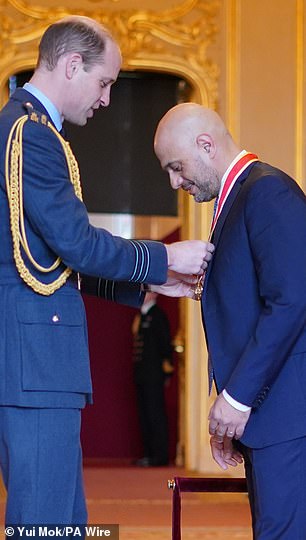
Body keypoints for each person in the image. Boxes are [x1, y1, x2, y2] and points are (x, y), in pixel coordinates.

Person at [0, 20, 215, 528]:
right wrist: (165, 258)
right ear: (73, 66)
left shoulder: (28, 129)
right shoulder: (30, 135)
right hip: (36, 361)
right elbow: (76, 243)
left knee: (61, 520)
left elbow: (50, 257)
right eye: (105, 82)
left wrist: (146, 280)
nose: (107, 99)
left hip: (35, 361)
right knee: (44, 524)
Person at [154, 102, 306, 539]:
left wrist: (237, 399)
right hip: (272, 417)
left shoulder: (267, 192)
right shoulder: (242, 195)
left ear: (206, 145)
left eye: (177, 167)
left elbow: (293, 300)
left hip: (286, 417)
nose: (174, 181)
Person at [132, 291, 174, 467]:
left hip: (154, 374)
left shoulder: (157, 316)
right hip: (142, 374)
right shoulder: (141, 316)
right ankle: (149, 454)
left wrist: (167, 371)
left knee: (155, 414)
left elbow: (165, 345)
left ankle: (159, 455)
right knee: (145, 415)